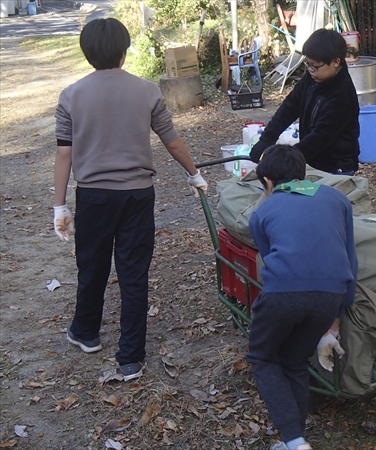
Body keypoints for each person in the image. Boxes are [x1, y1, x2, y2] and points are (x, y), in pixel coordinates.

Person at [53, 18, 207, 381]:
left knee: (92, 266)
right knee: (134, 273)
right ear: (124, 51)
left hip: (93, 197)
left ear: (86, 52)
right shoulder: (147, 90)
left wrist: (59, 206)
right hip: (138, 195)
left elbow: (64, 155)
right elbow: (172, 140)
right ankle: (131, 357)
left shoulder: (71, 95)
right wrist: (194, 173)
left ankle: (86, 333)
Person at [246, 145, 358, 450]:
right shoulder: (338, 199)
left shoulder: (261, 213)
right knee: (294, 359)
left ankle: (295, 441)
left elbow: (270, 267)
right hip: (331, 294)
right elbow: (350, 258)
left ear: (268, 182)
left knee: (263, 356)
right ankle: (295, 440)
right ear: (303, 173)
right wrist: (336, 319)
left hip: (284, 293)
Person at [249, 28, 360, 175]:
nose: (310, 70)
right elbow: (290, 106)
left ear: (336, 62)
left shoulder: (342, 96)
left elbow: (319, 138)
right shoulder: (313, 76)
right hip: (312, 161)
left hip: (336, 167)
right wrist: (267, 138)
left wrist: (285, 159)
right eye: (307, 64)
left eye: (315, 65)